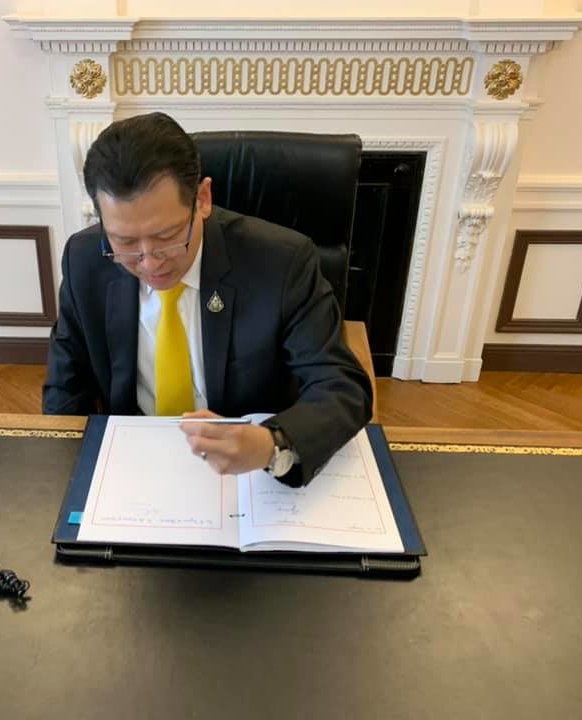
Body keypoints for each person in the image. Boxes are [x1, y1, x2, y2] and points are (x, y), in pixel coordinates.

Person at [42, 112, 372, 487]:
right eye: (125, 242)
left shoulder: (282, 263)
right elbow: (65, 389)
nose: (149, 262)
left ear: (202, 199)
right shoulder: (84, 260)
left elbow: (341, 387)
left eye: (167, 236)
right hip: (133, 464)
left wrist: (272, 444)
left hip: (248, 470)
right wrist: (74, 480)